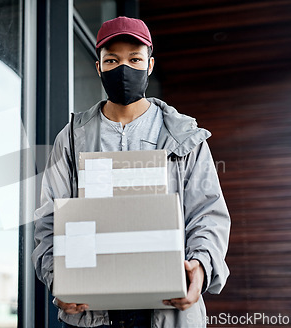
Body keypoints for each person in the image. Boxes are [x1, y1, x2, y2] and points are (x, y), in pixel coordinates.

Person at [32, 16, 231, 328]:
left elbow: (207, 214)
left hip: (168, 311)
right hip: (92, 313)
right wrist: (59, 280)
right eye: (112, 60)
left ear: (149, 65)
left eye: (134, 59)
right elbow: (48, 220)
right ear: (98, 67)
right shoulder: (71, 139)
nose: (123, 68)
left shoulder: (184, 136)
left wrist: (201, 266)